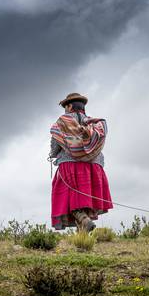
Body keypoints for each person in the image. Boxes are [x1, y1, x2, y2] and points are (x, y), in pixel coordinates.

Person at [49, 93, 113, 232]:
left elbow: (55, 145)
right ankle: (82, 234)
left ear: (70, 106)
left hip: (70, 164)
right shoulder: (95, 124)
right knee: (85, 198)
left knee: (69, 197)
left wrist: (52, 154)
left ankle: (84, 220)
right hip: (94, 165)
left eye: (66, 106)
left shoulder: (63, 122)